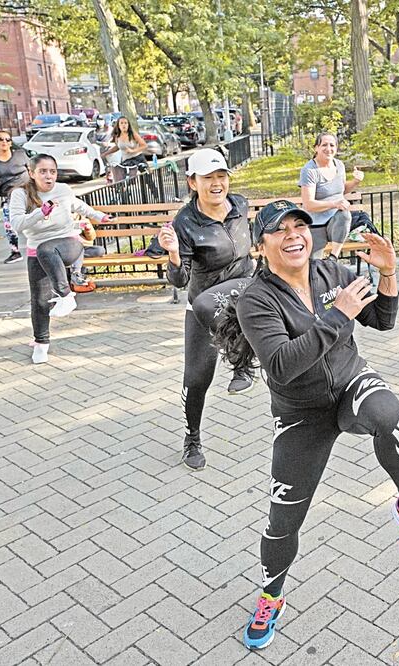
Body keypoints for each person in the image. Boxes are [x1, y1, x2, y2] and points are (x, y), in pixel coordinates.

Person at [211, 200, 399, 650]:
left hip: (351, 383)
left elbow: (383, 320)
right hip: (302, 412)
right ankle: (271, 596)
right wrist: (337, 316)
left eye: (300, 225)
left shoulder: (331, 273)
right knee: (283, 522)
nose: (294, 234)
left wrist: (389, 273)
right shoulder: (257, 300)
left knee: (390, 415)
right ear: (261, 247)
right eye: (280, 229)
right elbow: (280, 367)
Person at [156, 148, 257, 471]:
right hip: (204, 304)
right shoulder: (186, 222)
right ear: (192, 182)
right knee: (197, 377)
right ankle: (192, 438)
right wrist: (172, 253)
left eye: (221, 176)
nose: (217, 184)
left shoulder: (239, 205)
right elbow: (179, 279)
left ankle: (244, 361)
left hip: (244, 291)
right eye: (208, 178)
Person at [9, 154, 109, 364]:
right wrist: (39, 213)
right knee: (39, 301)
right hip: (38, 251)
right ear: (31, 173)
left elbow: (78, 205)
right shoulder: (21, 194)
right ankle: (41, 344)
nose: (48, 177)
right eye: (43, 172)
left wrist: (99, 216)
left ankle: (66, 295)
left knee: (48, 249)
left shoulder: (63, 190)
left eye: (52, 172)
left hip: (68, 244)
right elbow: (17, 224)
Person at [299, 132, 364, 260]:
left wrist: (356, 182)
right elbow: (309, 204)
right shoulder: (309, 170)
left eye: (332, 145)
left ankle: (333, 257)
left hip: (335, 222)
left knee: (344, 215)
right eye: (324, 145)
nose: (328, 149)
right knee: (315, 265)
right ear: (316, 148)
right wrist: (335, 204)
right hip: (315, 224)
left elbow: (341, 190)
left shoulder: (339, 165)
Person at [0, 128, 28, 264]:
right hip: (8, 195)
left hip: (26, 192)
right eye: (0, 139)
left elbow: (32, 169)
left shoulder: (20, 155)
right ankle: (15, 252)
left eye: (7, 139)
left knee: (38, 218)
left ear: (11, 143)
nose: (4, 142)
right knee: (9, 224)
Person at [101, 116, 147, 183]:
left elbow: (144, 145)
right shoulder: (117, 136)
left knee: (147, 177)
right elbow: (117, 147)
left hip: (138, 158)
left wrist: (133, 150)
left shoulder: (133, 134)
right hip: (127, 160)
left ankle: (154, 192)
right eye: (121, 123)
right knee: (123, 180)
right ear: (118, 125)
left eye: (125, 123)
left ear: (128, 125)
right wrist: (106, 153)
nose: (124, 125)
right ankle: (125, 192)